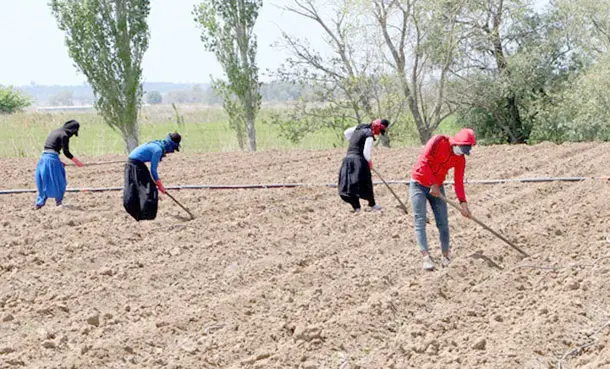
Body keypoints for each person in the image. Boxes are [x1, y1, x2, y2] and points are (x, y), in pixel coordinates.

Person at [410, 128, 476, 270]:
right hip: (419, 183)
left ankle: (445, 256)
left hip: (438, 187)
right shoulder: (438, 141)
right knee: (420, 220)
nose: (462, 153)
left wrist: (463, 203)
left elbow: (458, 181)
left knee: (443, 223)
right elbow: (424, 161)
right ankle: (426, 257)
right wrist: (432, 184)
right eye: (461, 148)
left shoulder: (460, 159)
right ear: (455, 143)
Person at [123, 132, 181, 221]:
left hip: (134, 164)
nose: (171, 152)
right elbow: (153, 170)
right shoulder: (158, 150)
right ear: (170, 145)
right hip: (135, 165)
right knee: (149, 189)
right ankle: (146, 215)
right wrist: (159, 185)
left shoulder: (158, 144)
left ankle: (141, 214)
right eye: (173, 148)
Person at [338, 119, 390, 212]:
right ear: (377, 128)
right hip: (359, 160)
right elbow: (366, 153)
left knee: (351, 184)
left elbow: (346, 132)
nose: (378, 134)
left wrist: (355, 142)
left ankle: (356, 207)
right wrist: (369, 162)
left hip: (348, 159)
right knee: (365, 183)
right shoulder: (369, 135)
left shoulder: (358, 128)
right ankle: (372, 204)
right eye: (379, 131)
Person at [34, 120, 84, 209]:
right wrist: (77, 162)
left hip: (44, 158)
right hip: (52, 159)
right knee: (60, 181)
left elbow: (50, 149)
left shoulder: (55, 132)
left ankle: (39, 203)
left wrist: (59, 162)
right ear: (72, 131)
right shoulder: (64, 135)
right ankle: (59, 202)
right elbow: (66, 152)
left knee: (44, 181)